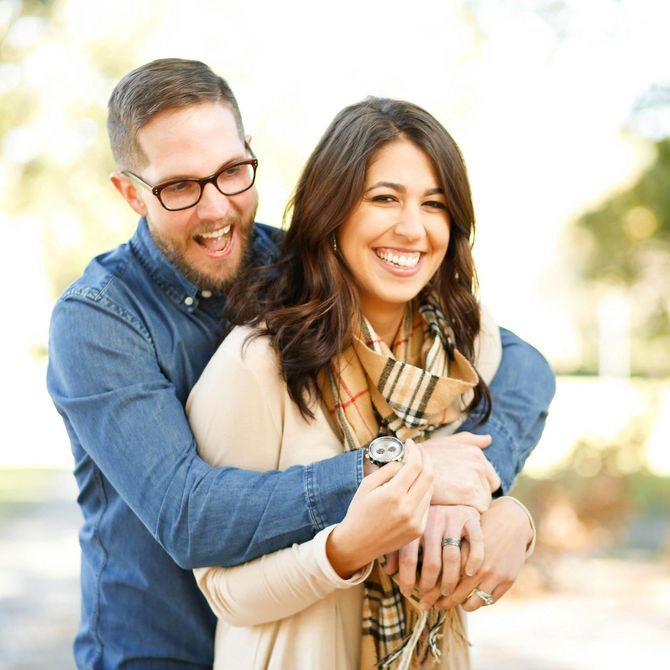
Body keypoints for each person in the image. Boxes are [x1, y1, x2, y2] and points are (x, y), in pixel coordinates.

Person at [46, 58, 555, 669]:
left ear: (250, 155)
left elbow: (521, 365)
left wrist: (479, 490)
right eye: (179, 186)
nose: (215, 210)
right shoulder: (99, 319)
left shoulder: (298, 266)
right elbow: (190, 514)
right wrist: (395, 471)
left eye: (232, 172)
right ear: (130, 192)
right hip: (156, 650)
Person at [186, 97, 538, 670]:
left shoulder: (464, 345)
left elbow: (474, 476)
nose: (412, 228)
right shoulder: (259, 363)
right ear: (334, 213)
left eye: (434, 204)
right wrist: (348, 546)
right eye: (384, 199)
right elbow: (222, 588)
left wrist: (511, 518)